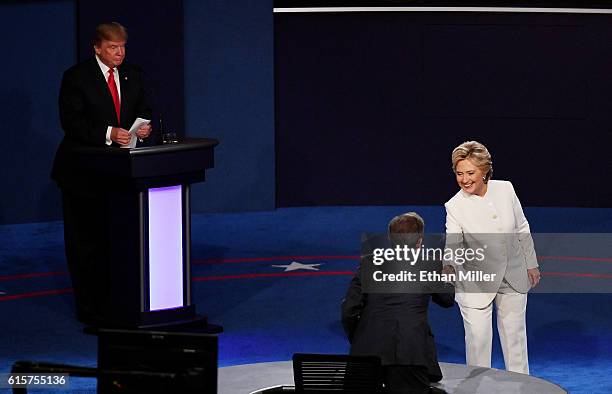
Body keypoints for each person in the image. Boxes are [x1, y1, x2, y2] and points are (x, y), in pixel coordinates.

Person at [51, 22, 153, 324]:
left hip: (122, 174)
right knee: (87, 245)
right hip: (82, 174)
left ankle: (120, 305)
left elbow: (143, 108)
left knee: (118, 243)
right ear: (97, 47)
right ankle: (91, 313)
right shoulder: (76, 78)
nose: (119, 53)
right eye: (112, 47)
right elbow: (72, 123)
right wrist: (110, 132)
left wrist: (142, 128)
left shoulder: (133, 74)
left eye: (122, 47)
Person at [443, 140, 540, 374]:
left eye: (470, 173)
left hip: (513, 275)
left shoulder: (505, 189)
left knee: (515, 342)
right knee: (478, 346)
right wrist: (449, 266)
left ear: (485, 171)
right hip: (475, 281)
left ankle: (520, 390)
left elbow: (521, 227)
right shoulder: (455, 206)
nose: (464, 179)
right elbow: (453, 243)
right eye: (459, 173)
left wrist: (531, 263)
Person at [341, 212, 454, 394]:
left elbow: (349, 311)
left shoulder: (368, 264)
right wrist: (448, 279)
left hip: (366, 355)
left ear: (390, 239)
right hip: (410, 356)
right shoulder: (429, 265)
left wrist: (361, 337)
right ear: (419, 241)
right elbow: (447, 300)